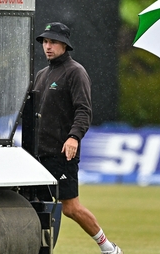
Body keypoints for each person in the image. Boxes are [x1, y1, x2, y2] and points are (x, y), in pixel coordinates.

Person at [31, 22, 122, 254]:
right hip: (37, 154)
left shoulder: (75, 72)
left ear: (64, 45)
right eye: (45, 42)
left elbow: (84, 110)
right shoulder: (42, 74)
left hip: (62, 152)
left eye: (53, 42)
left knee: (70, 208)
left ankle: (108, 248)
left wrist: (74, 137)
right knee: (35, 205)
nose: (48, 46)